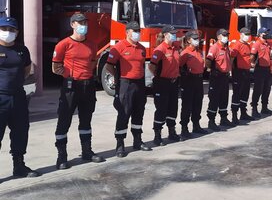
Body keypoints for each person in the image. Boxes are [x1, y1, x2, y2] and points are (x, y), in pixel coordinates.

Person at [52, 13, 104, 169]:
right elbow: (55, 67)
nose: (84, 25)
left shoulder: (92, 45)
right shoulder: (63, 44)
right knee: (64, 121)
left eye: (85, 22)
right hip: (71, 87)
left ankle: (87, 152)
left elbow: (93, 61)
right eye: (80, 22)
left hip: (88, 87)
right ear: (72, 24)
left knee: (86, 120)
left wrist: (86, 75)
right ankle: (62, 156)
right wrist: (69, 75)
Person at [0, 17, 39, 177]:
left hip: (18, 97)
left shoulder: (22, 50)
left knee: (21, 132)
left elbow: (26, 69)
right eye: (4, 29)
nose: (7, 33)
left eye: (11, 30)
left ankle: (19, 166)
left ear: (17, 32)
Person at [106, 21, 151, 158]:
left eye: (139, 30)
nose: (137, 33)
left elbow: (142, 66)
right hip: (125, 84)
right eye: (134, 30)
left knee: (139, 113)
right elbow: (109, 66)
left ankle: (137, 140)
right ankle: (120, 144)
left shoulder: (142, 48)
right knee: (124, 114)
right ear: (127, 32)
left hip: (139, 84)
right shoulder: (119, 47)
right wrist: (119, 78)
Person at [149, 25, 181, 145]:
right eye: (172, 33)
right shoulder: (160, 49)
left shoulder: (176, 48)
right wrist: (159, 76)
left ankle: (172, 132)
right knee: (161, 109)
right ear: (166, 35)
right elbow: (151, 66)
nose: (175, 35)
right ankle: (157, 135)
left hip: (174, 82)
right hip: (162, 83)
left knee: (173, 108)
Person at [179, 30, 208, 140]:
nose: (197, 40)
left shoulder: (199, 52)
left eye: (197, 38)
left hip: (199, 80)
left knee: (197, 103)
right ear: (188, 40)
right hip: (189, 80)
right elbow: (179, 66)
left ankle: (196, 125)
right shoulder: (185, 53)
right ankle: (184, 128)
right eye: (194, 39)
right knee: (187, 105)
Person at [205, 29, 234, 131]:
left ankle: (223, 118)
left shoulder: (226, 47)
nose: (226, 37)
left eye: (227, 35)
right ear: (218, 37)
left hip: (225, 77)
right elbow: (208, 60)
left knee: (224, 98)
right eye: (224, 35)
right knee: (214, 99)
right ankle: (211, 121)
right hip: (216, 77)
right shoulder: (215, 47)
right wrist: (211, 70)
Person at [230, 27, 254, 124]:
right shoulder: (237, 45)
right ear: (241, 35)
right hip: (238, 72)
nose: (248, 36)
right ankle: (234, 116)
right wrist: (231, 71)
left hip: (247, 72)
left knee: (245, 93)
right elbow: (232, 58)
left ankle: (243, 113)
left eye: (249, 34)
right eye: (246, 34)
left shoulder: (247, 45)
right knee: (237, 94)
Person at [250, 27, 272, 117]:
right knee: (258, 89)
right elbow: (252, 55)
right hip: (260, 69)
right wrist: (252, 63)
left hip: (267, 69)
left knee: (266, 89)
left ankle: (264, 107)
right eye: (265, 33)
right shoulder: (257, 44)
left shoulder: (267, 44)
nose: (267, 34)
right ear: (260, 34)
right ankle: (254, 108)